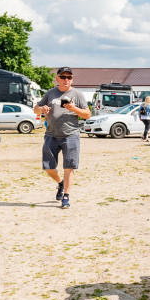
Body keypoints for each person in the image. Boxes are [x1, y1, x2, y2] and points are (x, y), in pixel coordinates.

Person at [34, 67, 90, 208]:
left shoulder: (77, 94)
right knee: (48, 167)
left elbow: (87, 114)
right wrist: (42, 109)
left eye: (69, 77)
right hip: (51, 135)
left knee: (69, 167)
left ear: (72, 79)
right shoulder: (51, 93)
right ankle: (60, 183)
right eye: (63, 77)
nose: (66, 80)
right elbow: (35, 109)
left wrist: (74, 109)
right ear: (57, 78)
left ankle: (66, 196)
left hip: (71, 135)